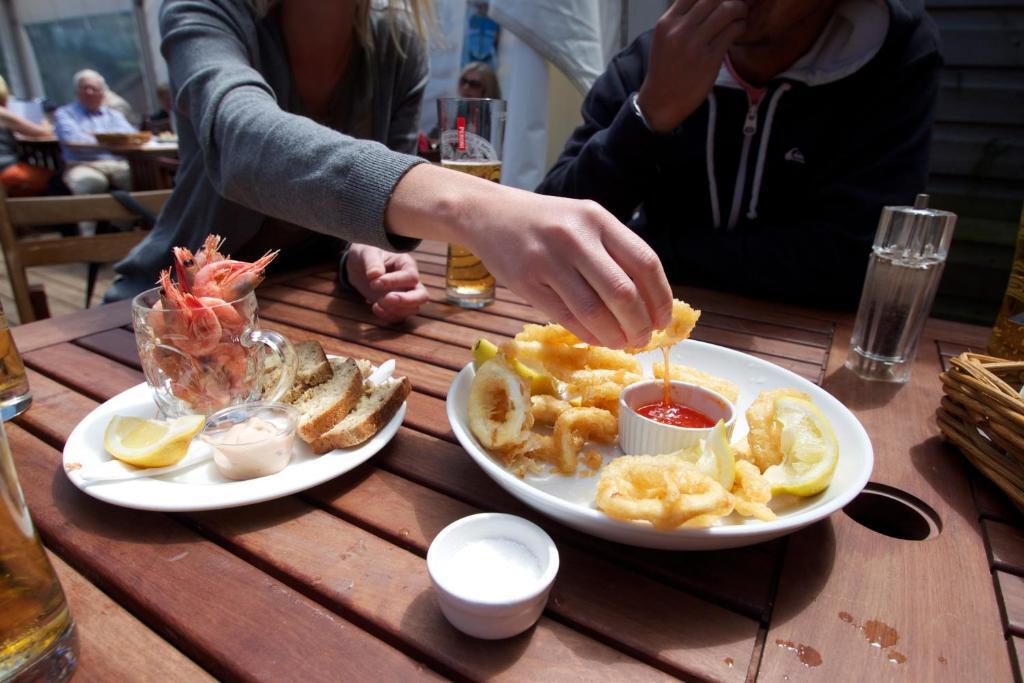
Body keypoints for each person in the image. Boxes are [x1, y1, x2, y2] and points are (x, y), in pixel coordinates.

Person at [107, 0, 671, 348]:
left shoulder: (397, 47)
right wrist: (474, 206)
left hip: (306, 316)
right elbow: (240, 141)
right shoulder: (206, 12)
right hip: (163, 318)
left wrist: (360, 253)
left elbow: (367, 208)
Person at [537, 0, 942, 308]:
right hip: (649, 337)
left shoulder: (891, 56)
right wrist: (650, 113)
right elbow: (554, 229)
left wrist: (652, 249)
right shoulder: (653, 58)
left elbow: (853, 262)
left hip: (809, 344)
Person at [54, 69, 137, 202]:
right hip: (83, 164)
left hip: (118, 164)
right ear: (77, 92)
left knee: (142, 178)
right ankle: (87, 216)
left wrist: (93, 137)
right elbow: (74, 141)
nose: (89, 92)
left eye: (94, 89)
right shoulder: (65, 114)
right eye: (84, 88)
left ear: (103, 93)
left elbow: (130, 136)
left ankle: (135, 216)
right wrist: (110, 140)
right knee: (88, 183)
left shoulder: (114, 115)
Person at [0, 76, 55, 197]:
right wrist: (44, 120)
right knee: (57, 180)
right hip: (6, 172)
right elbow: (42, 132)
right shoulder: (2, 114)